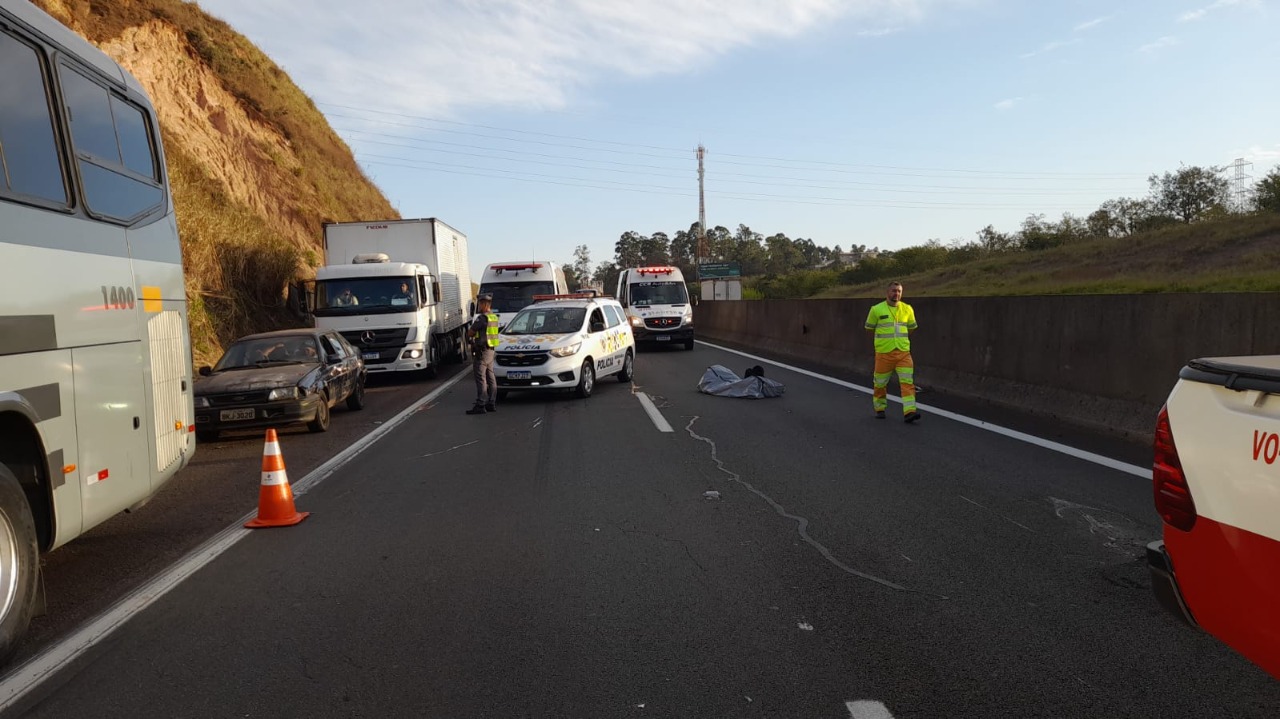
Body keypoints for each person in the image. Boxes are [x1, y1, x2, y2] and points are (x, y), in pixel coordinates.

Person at [865, 281, 920, 423]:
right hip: (884, 353)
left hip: (903, 352)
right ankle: (880, 408)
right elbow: (869, 329)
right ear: (887, 292)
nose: (897, 294)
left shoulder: (907, 309)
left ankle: (909, 411)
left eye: (899, 291)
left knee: (908, 383)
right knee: (880, 383)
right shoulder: (876, 309)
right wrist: (882, 343)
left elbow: (912, 328)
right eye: (894, 291)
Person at [466, 294, 500, 415]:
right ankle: (491, 403)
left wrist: (472, 336)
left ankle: (480, 404)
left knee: (481, 378)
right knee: (491, 378)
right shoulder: (494, 317)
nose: (479, 306)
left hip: (482, 351)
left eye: (480, 303)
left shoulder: (482, 318)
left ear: (485, 304)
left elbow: (470, 332)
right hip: (491, 351)